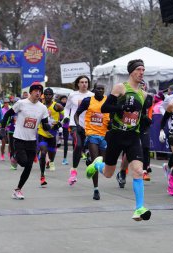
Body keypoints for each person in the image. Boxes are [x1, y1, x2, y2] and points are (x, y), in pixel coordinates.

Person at [86, 59, 151, 221]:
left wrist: (145, 121)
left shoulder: (144, 95)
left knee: (137, 170)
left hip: (132, 137)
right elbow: (105, 108)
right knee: (108, 173)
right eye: (139, 69)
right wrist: (122, 108)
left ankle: (139, 208)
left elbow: (139, 117)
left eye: (143, 69)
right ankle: (97, 164)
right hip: (116, 135)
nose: (141, 72)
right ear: (131, 72)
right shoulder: (120, 88)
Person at [0, 82, 50, 199]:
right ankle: (15, 157)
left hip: (32, 140)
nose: (38, 93)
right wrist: (2, 128)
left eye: (40, 91)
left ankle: (18, 190)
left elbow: (45, 124)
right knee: (22, 162)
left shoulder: (42, 108)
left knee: (29, 166)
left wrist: (54, 126)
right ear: (31, 92)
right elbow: (7, 114)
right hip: (19, 138)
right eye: (36, 91)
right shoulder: (21, 103)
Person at [76, 83, 110, 200]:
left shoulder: (108, 100)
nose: (100, 90)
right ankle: (96, 189)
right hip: (91, 134)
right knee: (97, 162)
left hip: (104, 135)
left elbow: (115, 114)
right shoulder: (87, 101)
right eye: (98, 89)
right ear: (94, 90)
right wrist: (78, 125)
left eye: (102, 89)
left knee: (103, 163)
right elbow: (77, 114)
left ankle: (90, 159)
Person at [63, 75, 94, 186]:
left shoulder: (92, 95)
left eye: (86, 82)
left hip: (88, 126)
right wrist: (66, 117)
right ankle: (73, 171)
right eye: (82, 82)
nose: (84, 84)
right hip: (74, 124)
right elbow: (67, 108)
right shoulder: (72, 95)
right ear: (78, 84)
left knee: (90, 150)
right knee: (78, 145)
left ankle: (89, 163)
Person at [37, 88, 64, 186]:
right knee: (43, 153)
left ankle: (51, 161)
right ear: (43, 95)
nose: (48, 96)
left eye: (50, 94)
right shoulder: (40, 106)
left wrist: (59, 124)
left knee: (52, 153)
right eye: (46, 94)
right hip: (42, 132)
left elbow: (66, 117)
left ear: (52, 96)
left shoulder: (57, 106)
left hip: (52, 133)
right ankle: (42, 176)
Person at [58, 95, 70, 165]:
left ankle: (64, 159)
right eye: (63, 99)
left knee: (66, 143)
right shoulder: (57, 107)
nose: (64, 100)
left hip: (66, 126)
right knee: (54, 144)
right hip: (58, 126)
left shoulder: (68, 108)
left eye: (66, 99)